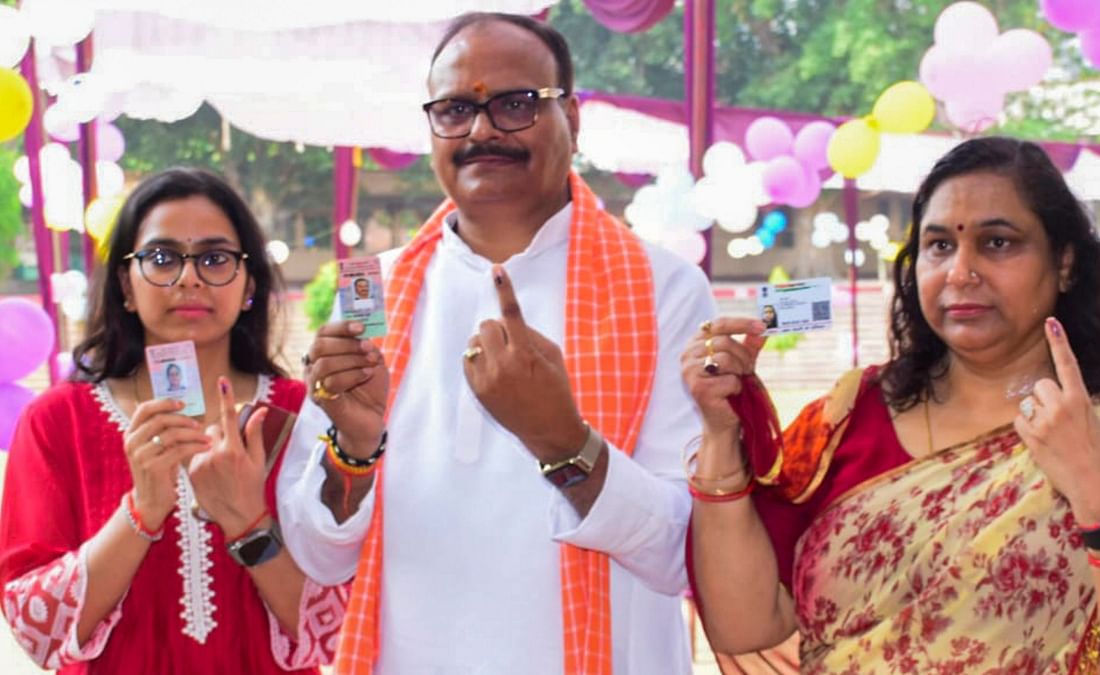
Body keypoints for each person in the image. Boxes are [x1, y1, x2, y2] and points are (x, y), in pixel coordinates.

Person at [275, 12, 713, 675]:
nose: (481, 129)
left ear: (572, 113)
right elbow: (318, 552)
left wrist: (566, 443)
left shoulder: (666, 290)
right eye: (455, 108)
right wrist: (353, 449)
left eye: (514, 104)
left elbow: (687, 549)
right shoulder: (374, 295)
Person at [684, 137, 1100, 673]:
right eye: (939, 246)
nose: (960, 273)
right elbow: (744, 624)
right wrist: (721, 436)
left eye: (998, 243)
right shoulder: (848, 415)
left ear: (1065, 263)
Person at [0, 168, 347, 674]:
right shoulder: (57, 422)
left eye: (215, 258)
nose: (189, 278)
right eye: (162, 258)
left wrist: (248, 524)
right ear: (125, 283)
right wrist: (141, 513)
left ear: (249, 284)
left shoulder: (302, 415)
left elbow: (336, 632)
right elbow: (37, 632)